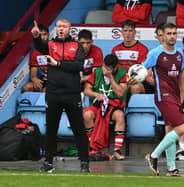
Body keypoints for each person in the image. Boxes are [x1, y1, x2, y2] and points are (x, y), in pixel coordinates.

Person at [31, 18, 90, 172]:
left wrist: (58, 63)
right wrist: (36, 36)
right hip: (53, 94)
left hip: (72, 94)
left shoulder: (76, 45)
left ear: (70, 29)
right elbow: (38, 46)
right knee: (51, 129)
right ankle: (48, 162)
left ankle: (84, 162)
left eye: (64, 26)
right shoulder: (50, 45)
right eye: (58, 26)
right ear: (55, 29)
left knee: (78, 129)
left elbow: (78, 65)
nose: (61, 29)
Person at [142, 23, 184, 176]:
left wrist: (182, 97)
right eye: (169, 33)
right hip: (163, 96)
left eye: (174, 33)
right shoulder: (156, 53)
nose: (172, 36)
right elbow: (141, 69)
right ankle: (153, 156)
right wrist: (135, 77)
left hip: (175, 96)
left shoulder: (180, 54)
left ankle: (171, 168)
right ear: (163, 35)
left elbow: (182, 76)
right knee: (182, 127)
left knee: (171, 130)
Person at [83, 54, 128, 160]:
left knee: (120, 116)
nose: (106, 70)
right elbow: (86, 90)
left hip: (114, 106)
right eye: (105, 67)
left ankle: (117, 150)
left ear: (115, 67)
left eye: (110, 69)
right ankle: (92, 147)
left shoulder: (123, 74)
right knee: (87, 114)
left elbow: (120, 93)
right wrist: (96, 95)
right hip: (98, 105)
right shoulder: (97, 72)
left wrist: (111, 78)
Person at [112, 19, 150, 94]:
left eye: (130, 31)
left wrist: (130, 79)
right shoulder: (115, 49)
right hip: (120, 79)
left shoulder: (142, 49)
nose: (128, 34)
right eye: (125, 31)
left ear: (134, 32)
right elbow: (113, 68)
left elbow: (141, 70)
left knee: (135, 88)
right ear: (121, 32)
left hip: (135, 80)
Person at [22, 24, 49, 92]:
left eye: (44, 34)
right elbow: (33, 75)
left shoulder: (54, 47)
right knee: (27, 87)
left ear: (48, 35)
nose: (42, 37)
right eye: (40, 35)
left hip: (57, 81)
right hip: (45, 80)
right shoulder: (35, 53)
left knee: (45, 90)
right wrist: (35, 80)